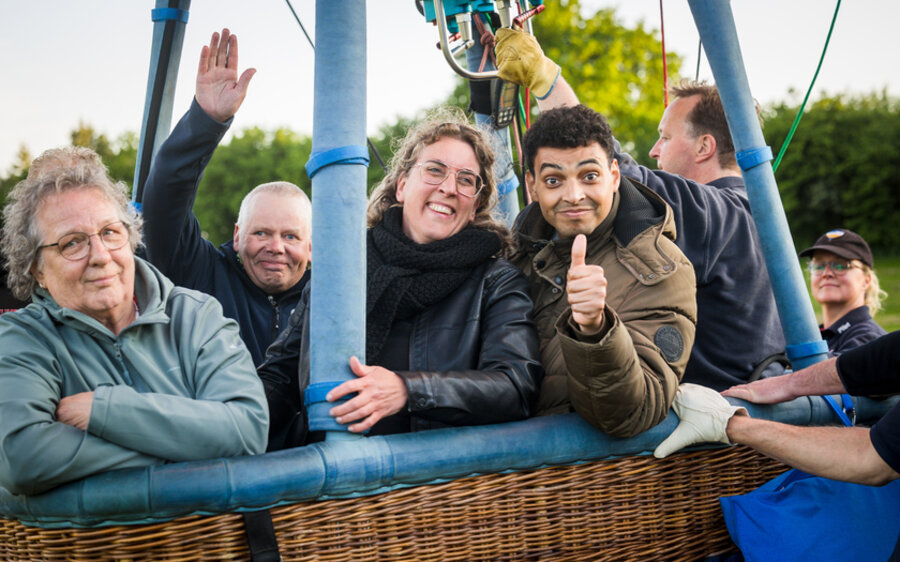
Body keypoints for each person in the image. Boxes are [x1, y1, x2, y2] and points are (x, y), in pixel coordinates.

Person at [495, 29, 785, 390]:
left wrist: (545, 78)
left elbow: (608, 169)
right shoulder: (760, 215)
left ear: (704, 147)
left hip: (716, 411)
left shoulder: (716, 213)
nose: (654, 149)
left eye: (665, 137)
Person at [258, 111, 543, 446]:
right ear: (402, 185)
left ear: (476, 204)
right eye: (435, 170)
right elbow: (280, 377)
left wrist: (408, 390)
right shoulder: (341, 271)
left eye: (466, 180)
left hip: (436, 475)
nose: (449, 188)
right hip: (329, 467)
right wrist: (224, 426)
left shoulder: (496, 282)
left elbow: (515, 387)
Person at [0, 147, 268, 496]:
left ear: (131, 237)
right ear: (37, 270)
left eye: (110, 232)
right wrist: (189, 446)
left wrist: (106, 411)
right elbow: (21, 457)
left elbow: (248, 431)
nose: (100, 256)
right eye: (72, 243)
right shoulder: (21, 338)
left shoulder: (197, 316)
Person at [509, 103, 697, 438]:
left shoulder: (660, 269)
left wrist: (595, 329)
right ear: (532, 186)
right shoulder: (510, 255)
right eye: (553, 180)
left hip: (587, 468)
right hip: (500, 464)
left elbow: (634, 413)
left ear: (614, 176)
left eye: (589, 176)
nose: (573, 195)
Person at [141, 28, 311, 366]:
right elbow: (166, 197)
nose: (275, 247)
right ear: (237, 236)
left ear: (310, 247)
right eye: (261, 232)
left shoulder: (331, 300)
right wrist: (206, 121)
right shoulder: (201, 273)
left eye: (290, 236)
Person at [799, 228, 887, 354]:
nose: (826, 273)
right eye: (819, 266)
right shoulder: (816, 337)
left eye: (840, 266)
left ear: (866, 280)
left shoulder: (868, 340)